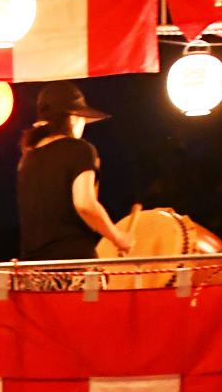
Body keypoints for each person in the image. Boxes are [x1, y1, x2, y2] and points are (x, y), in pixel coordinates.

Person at [17, 81, 138, 286]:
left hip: (34, 276)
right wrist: (117, 237)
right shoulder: (79, 149)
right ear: (73, 118)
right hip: (73, 270)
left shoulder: (27, 159)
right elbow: (84, 204)